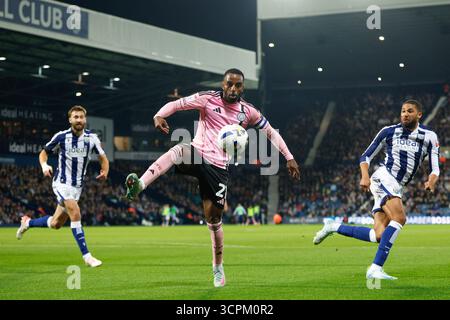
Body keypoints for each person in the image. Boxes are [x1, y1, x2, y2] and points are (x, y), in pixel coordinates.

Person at [125, 68, 300, 287]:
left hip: (219, 168)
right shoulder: (207, 99)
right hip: (197, 155)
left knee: (214, 220)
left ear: (242, 88)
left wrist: (289, 157)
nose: (233, 88)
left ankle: (218, 267)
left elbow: (271, 132)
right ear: (223, 84)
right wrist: (159, 115)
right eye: (229, 84)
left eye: (238, 85)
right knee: (179, 150)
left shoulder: (248, 111)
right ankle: (140, 184)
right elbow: (177, 104)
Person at [313, 99, 440, 280]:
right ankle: (375, 268)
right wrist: (364, 176)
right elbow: (365, 155)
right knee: (400, 218)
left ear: (419, 114)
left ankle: (333, 226)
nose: (405, 114)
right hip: (384, 177)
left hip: (398, 186)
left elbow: (435, 168)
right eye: (403, 110)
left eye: (409, 111)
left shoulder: (429, 136)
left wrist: (432, 180)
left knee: (379, 235)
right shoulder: (388, 131)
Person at [16, 106, 109, 268]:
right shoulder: (61, 137)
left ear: (85, 119)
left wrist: (105, 171)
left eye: (81, 117)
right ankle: (87, 257)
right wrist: (44, 165)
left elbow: (103, 157)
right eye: (75, 117)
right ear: (70, 120)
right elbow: (43, 152)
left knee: (56, 224)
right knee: (75, 211)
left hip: (77, 187)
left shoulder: (91, 139)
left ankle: (28, 223)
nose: (79, 120)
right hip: (61, 183)